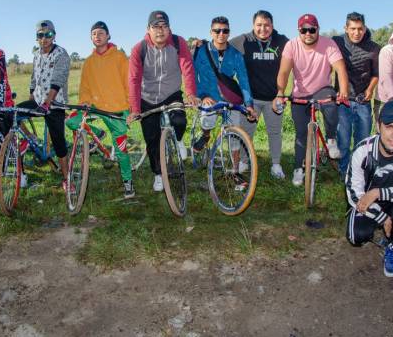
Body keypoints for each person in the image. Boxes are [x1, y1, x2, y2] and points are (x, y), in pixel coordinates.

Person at [344, 98, 393, 277]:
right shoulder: (362, 151)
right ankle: (383, 226)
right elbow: (353, 192)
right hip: (369, 204)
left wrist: (379, 192)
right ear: (378, 126)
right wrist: (382, 217)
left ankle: (392, 247)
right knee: (355, 235)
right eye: (389, 127)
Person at [273, 14, 349, 186]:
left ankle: (331, 140)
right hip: (300, 93)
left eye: (312, 29)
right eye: (304, 30)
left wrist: (343, 91)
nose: (308, 33)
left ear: (318, 30)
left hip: (322, 89)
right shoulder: (291, 45)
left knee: (330, 103)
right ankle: (298, 169)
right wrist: (280, 92)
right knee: (301, 134)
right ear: (299, 31)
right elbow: (284, 72)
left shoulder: (328, 44)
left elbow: (340, 69)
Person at [127, 11, 198, 193]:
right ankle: (158, 174)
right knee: (152, 140)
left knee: (179, 120)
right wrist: (135, 109)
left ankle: (179, 140)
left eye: (164, 26)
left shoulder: (178, 42)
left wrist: (190, 93)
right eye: (156, 27)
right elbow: (134, 79)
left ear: (169, 28)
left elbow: (187, 67)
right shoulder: (139, 49)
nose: (160, 31)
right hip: (147, 98)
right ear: (148, 29)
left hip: (171, 94)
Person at [66, 21, 135, 199]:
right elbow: (85, 87)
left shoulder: (119, 57)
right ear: (91, 38)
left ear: (108, 36)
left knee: (121, 150)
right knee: (72, 120)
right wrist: (85, 102)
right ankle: (97, 135)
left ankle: (128, 182)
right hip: (95, 107)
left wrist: (130, 108)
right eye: (94, 33)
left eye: (101, 33)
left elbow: (129, 84)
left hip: (117, 110)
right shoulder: (88, 62)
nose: (97, 36)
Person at [229, 10, 289, 179]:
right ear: (253, 25)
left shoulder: (281, 41)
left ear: (272, 25)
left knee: (275, 132)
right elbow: (222, 44)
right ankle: (245, 161)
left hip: (273, 98)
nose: (263, 29)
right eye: (259, 25)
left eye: (267, 25)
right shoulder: (243, 40)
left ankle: (276, 164)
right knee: (246, 133)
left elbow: (298, 49)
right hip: (251, 100)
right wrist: (202, 43)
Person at [17, 20, 71, 190]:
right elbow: (34, 77)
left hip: (55, 103)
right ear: (37, 38)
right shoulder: (36, 54)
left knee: (59, 142)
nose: (44, 38)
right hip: (38, 101)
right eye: (40, 35)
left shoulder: (61, 54)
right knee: (14, 114)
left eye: (48, 35)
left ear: (54, 36)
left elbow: (58, 80)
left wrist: (48, 103)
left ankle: (66, 179)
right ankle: (30, 139)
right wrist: (32, 95)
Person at [191, 16, 255, 154]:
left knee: (235, 131)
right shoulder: (201, 50)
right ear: (211, 32)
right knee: (207, 118)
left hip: (229, 98)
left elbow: (243, 80)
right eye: (217, 31)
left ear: (229, 32)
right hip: (209, 96)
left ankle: (235, 169)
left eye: (225, 31)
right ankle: (206, 135)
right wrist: (201, 95)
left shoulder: (236, 55)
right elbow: (193, 75)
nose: (221, 34)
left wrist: (249, 104)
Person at [333, 11, 380, 176]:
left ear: (364, 28)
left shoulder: (374, 48)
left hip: (363, 101)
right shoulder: (337, 43)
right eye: (352, 28)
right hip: (342, 101)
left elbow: (376, 73)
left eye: (360, 29)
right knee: (344, 140)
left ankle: (358, 171)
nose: (356, 33)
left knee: (362, 140)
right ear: (346, 28)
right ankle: (344, 171)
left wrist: (370, 89)